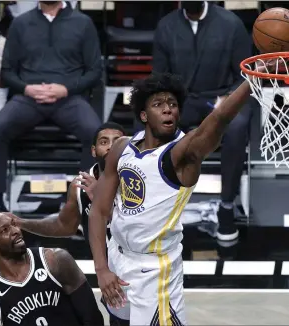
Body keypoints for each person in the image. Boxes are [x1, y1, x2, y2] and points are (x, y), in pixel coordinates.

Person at [88, 71, 264, 325]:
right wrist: (102, 269)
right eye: (158, 104)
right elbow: (99, 212)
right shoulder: (121, 148)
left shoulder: (183, 154)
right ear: (144, 115)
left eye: (172, 104)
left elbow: (219, 118)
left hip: (155, 272)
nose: (168, 109)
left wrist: (254, 80)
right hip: (117, 257)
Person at [0, 0, 102, 211]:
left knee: (96, 134)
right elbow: (7, 72)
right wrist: (27, 88)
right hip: (29, 98)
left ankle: (84, 199)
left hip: (68, 98)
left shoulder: (83, 23)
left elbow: (94, 71)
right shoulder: (20, 23)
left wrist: (65, 89)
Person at [151, 1, 253, 242]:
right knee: (152, 125)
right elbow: (158, 77)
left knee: (237, 126)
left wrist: (228, 99)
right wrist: (168, 103)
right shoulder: (166, 26)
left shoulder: (231, 24)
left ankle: (227, 205)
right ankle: (157, 206)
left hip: (220, 98)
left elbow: (245, 74)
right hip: (181, 100)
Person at [0, 207, 104, 326]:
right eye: (5, 230)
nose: (16, 231)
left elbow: (92, 317)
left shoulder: (56, 260)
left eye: (13, 224)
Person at [16, 122, 126, 240]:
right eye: (104, 142)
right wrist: (20, 222)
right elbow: (63, 226)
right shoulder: (79, 185)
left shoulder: (139, 180)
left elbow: (140, 229)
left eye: (117, 142)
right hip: (103, 257)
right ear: (93, 151)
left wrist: (100, 201)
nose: (110, 147)